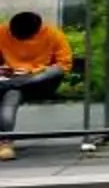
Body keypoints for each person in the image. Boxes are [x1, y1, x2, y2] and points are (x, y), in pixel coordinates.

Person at [0, 10, 73, 161]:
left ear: (36, 32)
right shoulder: (2, 32)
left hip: (39, 82)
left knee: (15, 88)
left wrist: (35, 74)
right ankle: (5, 141)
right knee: (12, 94)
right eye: (16, 37)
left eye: (24, 38)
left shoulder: (53, 34)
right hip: (11, 79)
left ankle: (5, 141)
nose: (21, 41)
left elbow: (63, 65)